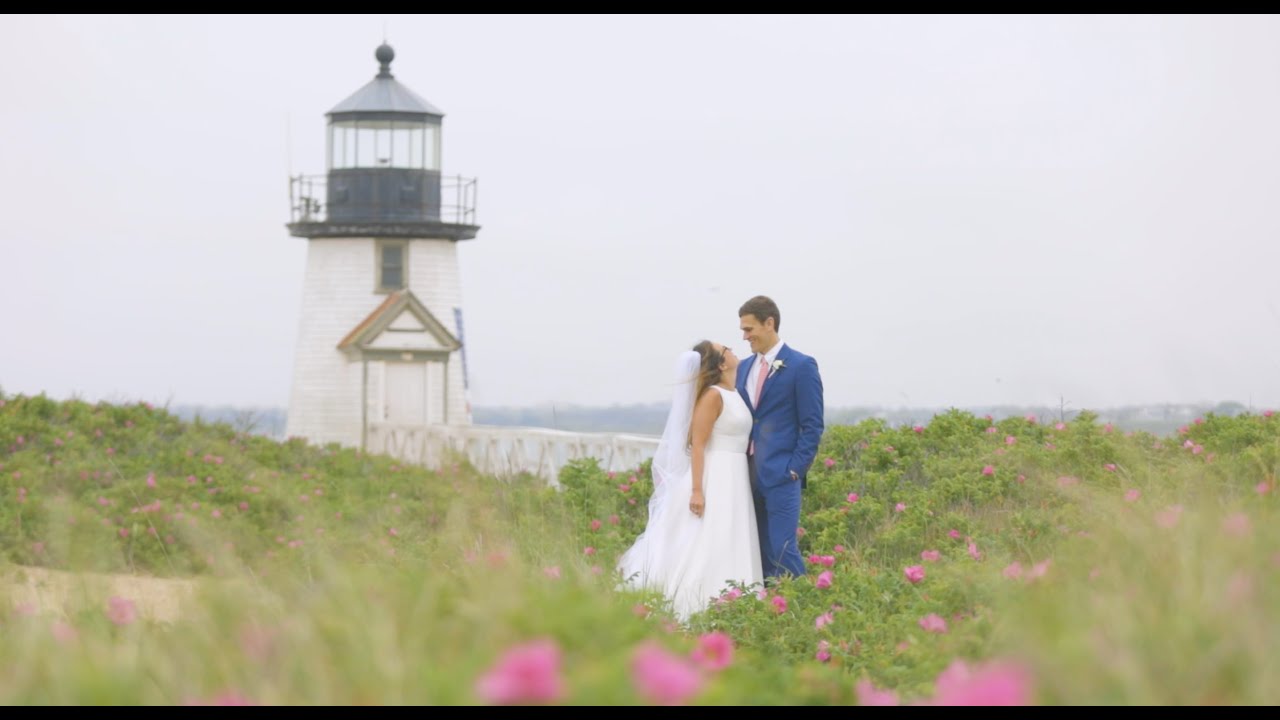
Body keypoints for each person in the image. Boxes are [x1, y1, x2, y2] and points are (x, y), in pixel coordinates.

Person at [617, 341, 762, 620]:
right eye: (727, 348)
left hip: (736, 474)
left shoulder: (734, 393)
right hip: (716, 473)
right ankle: (696, 605)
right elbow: (698, 444)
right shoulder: (712, 396)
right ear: (721, 363)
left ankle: (738, 600)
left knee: (732, 533)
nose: (734, 350)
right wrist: (697, 490)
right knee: (712, 536)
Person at [736, 295, 824, 580]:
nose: (745, 336)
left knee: (783, 548)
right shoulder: (742, 368)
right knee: (757, 549)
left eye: (749, 329)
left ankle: (807, 606)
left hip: (782, 473)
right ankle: (772, 613)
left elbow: (812, 425)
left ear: (769, 323)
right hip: (745, 473)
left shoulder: (801, 366)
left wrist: (795, 469)